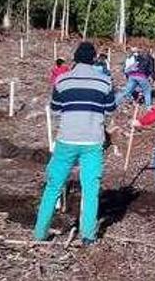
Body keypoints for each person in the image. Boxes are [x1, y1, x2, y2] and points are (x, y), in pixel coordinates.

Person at [34, 42, 116, 245]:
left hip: (66, 140)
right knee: (90, 187)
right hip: (92, 141)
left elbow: (55, 108)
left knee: (53, 185)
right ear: (94, 58)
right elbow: (110, 108)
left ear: (75, 58)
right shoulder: (105, 82)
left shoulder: (62, 80)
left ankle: (40, 233)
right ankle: (88, 235)